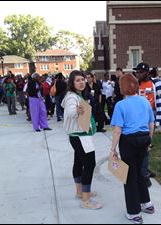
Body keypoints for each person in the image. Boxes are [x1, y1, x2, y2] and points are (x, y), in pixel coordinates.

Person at [110, 73, 155, 224]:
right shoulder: (144, 101)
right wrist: (149, 141)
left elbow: (117, 130)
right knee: (141, 173)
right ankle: (146, 203)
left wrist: (113, 149)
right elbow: (151, 124)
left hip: (128, 141)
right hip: (144, 139)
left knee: (129, 177)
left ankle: (134, 213)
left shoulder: (120, 105)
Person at [61, 70, 102, 210]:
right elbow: (71, 111)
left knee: (78, 162)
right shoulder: (72, 97)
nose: (81, 82)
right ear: (72, 83)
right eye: (77, 80)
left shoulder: (78, 95)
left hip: (79, 136)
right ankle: (86, 200)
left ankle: (80, 192)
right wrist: (76, 111)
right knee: (90, 164)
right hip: (80, 137)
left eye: (82, 80)